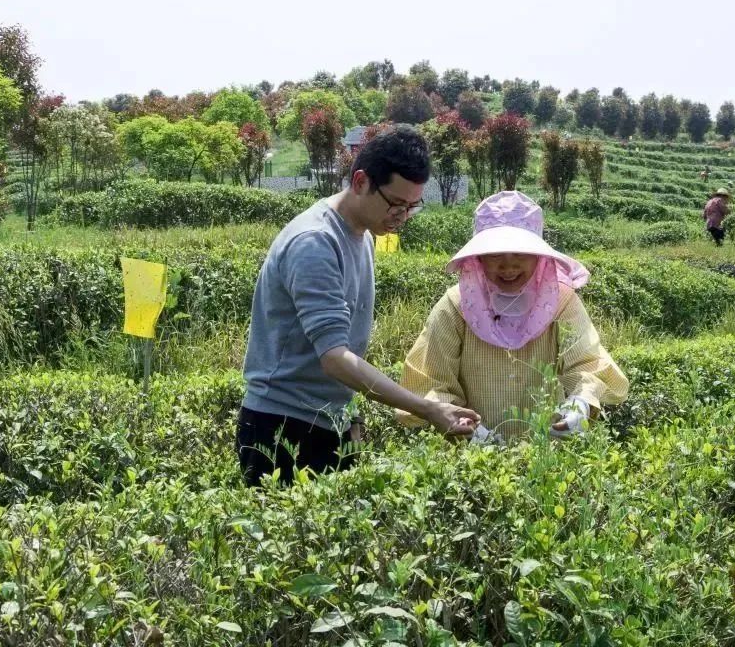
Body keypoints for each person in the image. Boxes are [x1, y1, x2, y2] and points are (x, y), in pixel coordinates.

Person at [237, 125, 480, 487]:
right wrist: (428, 408)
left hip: (329, 420)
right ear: (362, 181)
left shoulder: (363, 234)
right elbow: (334, 357)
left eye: (412, 207)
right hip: (283, 425)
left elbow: (346, 351)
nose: (402, 216)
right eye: (396, 204)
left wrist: (350, 415)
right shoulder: (316, 242)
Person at [397, 191, 628, 442]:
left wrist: (580, 403)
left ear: (539, 257)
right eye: (495, 254)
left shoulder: (561, 303)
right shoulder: (455, 306)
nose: (508, 266)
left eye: (520, 253)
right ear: (479, 259)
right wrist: (460, 423)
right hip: (471, 462)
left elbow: (587, 362)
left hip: (546, 453)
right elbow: (430, 380)